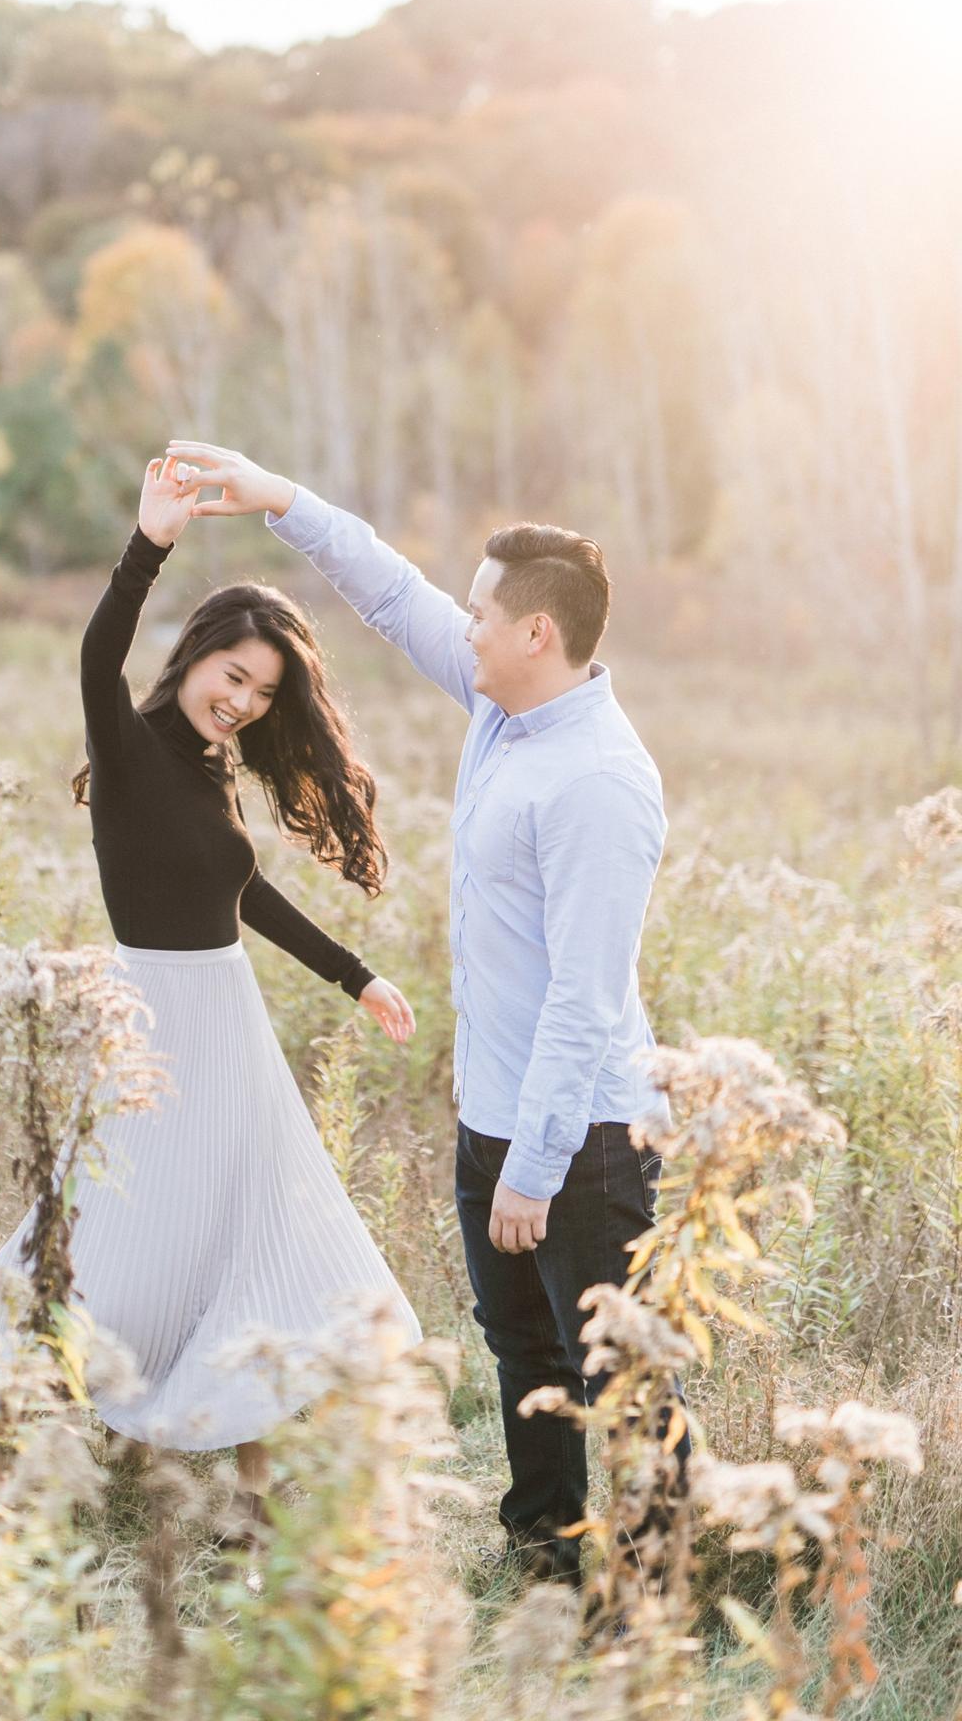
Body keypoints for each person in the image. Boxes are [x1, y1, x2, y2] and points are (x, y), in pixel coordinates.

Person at [163, 439, 688, 1585]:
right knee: (524, 1346)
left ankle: (653, 1591)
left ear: (535, 635)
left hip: (582, 1136)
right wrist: (278, 499)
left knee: (623, 1375)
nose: (466, 625)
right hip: (499, 1109)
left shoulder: (595, 781)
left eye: (483, 611)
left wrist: (533, 1166)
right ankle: (545, 1548)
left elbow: (585, 1000)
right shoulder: (506, 711)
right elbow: (393, 594)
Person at [0, 455, 421, 1522]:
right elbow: (94, 654)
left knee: (252, 1222)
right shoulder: (125, 749)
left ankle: (223, 1412)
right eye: (233, 676)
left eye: (262, 694)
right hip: (152, 1028)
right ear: (199, 653)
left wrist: (355, 976)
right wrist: (148, 543)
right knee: (123, 1227)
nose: (242, 702)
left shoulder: (217, 769)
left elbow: (239, 891)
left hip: (230, 1028)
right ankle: (48, 1404)